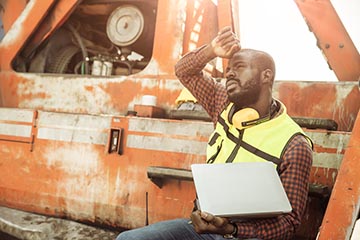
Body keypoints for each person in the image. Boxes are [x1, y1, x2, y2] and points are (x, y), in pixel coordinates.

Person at [116, 26, 313, 240]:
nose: (229, 73)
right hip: (204, 227)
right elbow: (184, 71)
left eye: (238, 67)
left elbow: (289, 223)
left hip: (247, 236)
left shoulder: (294, 144)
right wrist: (211, 50)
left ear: (267, 76)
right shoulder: (222, 103)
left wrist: (231, 229)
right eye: (228, 68)